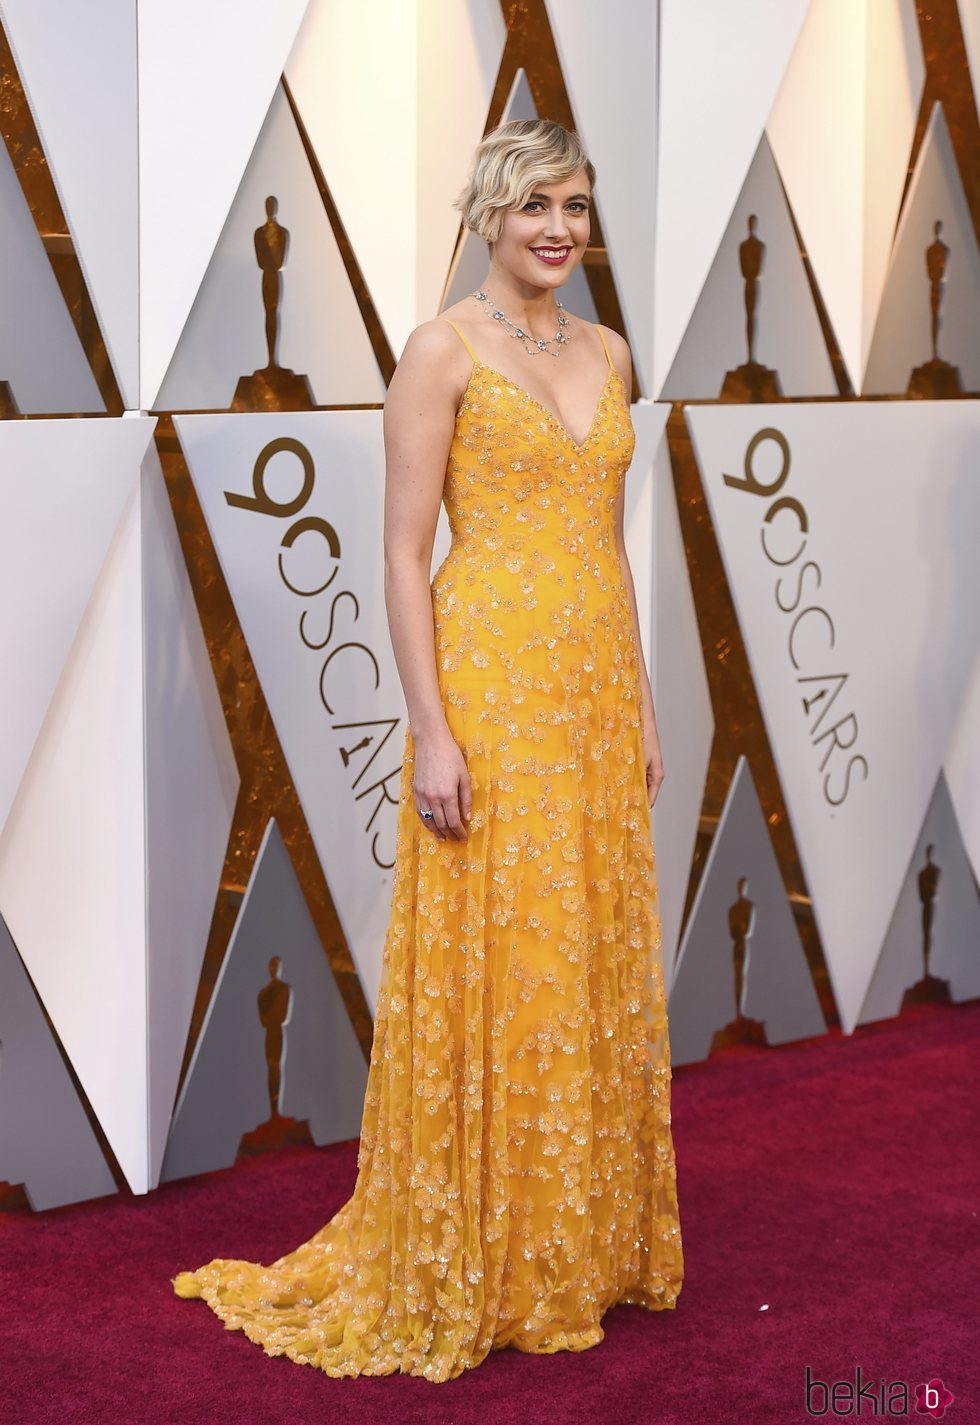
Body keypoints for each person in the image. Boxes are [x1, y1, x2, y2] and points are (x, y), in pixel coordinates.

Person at [171, 117, 684, 1383]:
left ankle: (576, 1242)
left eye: (574, 205)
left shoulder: (610, 350)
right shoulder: (439, 350)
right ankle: (485, 1249)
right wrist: (432, 726)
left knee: (584, 950)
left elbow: (607, 543)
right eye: (535, 208)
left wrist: (645, 701)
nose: (558, 229)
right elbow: (401, 551)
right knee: (501, 950)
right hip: (490, 686)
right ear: (487, 216)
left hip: (591, 692)